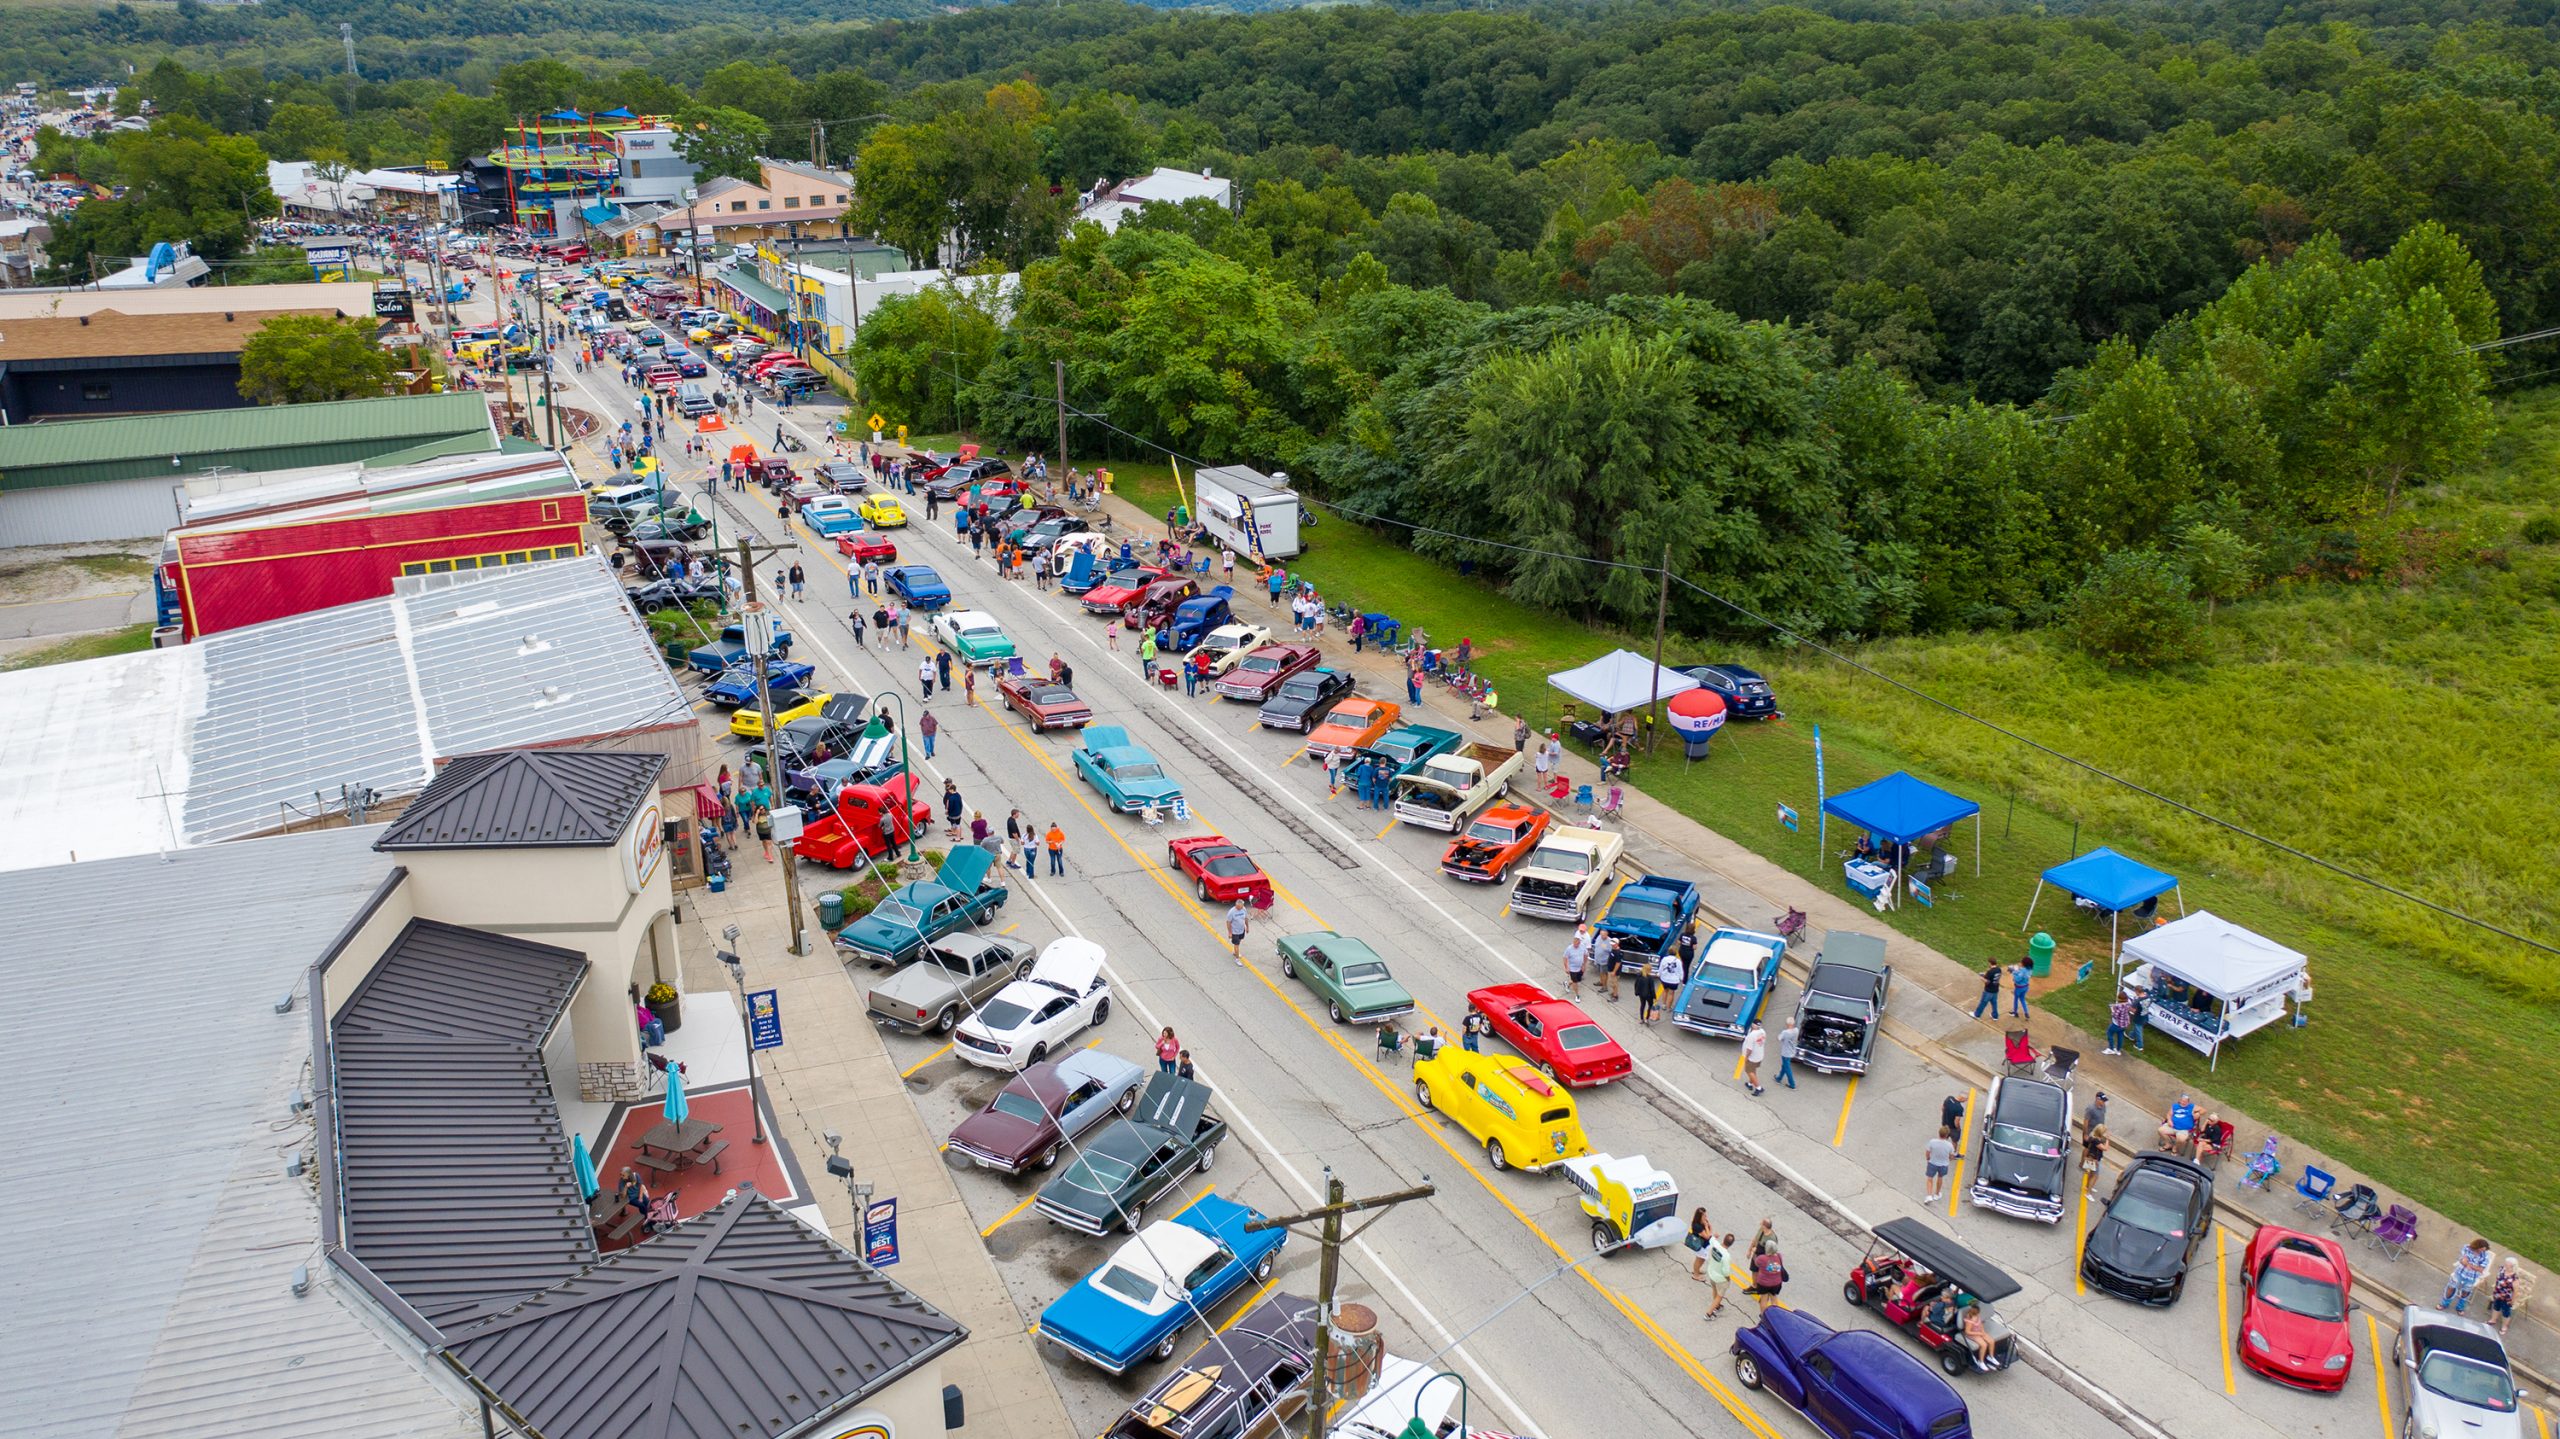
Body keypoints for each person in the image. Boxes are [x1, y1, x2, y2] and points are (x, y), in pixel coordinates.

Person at [2444, 1239, 2493, 1313]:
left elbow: (2481, 1269)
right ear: (2477, 1246)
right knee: (2451, 1287)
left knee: (2466, 1292)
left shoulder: (2485, 1256)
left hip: (2472, 1277)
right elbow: (2462, 1260)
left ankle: (2460, 1307)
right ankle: (2444, 1304)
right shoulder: (2467, 1248)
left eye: (2484, 1250)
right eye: (2481, 1249)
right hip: (2460, 1272)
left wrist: (2468, 1264)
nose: (2482, 1251)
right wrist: (2469, 1264)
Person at [2489, 1258, 2531, 1334]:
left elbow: (2516, 1291)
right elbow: (2498, 1279)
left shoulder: (2514, 1278)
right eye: (2505, 1263)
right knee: (2496, 1307)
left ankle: (2504, 1326)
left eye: (2507, 1265)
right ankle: (2493, 1319)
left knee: (2506, 1313)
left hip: (2506, 1298)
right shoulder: (2502, 1269)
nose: (2505, 1265)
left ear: (2512, 1267)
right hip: (2498, 1294)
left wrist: (2512, 1301)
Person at [1701, 1232, 1736, 1321]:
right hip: (1720, 1278)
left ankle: (1717, 1306)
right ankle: (1708, 1314)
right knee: (1719, 1295)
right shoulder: (1726, 1256)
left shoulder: (1715, 1244)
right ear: (1731, 1244)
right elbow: (1726, 1271)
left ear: (1723, 1239)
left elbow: (1711, 1238)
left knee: (1715, 1291)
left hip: (1711, 1273)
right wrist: (1728, 1279)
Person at [1652, 947, 1683, 1027]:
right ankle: (1669, 1007)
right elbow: (1680, 970)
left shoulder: (1665, 959)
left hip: (1665, 978)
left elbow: (1661, 968)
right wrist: (1681, 978)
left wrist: (1659, 974)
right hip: (1674, 980)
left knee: (1665, 991)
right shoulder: (1678, 961)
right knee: (1671, 993)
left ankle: (1664, 1004)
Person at [1924, 1126, 1957, 1201]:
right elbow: (1951, 1156)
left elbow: (1927, 1152)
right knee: (1940, 1178)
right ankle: (1937, 1194)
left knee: (1930, 1178)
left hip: (1932, 1163)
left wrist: (1928, 1158)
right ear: (1947, 1135)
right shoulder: (1949, 1145)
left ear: (1939, 1133)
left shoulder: (1932, 1142)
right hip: (1943, 1164)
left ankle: (1929, 1195)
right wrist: (1949, 1159)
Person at [1740, 1021, 1767, 1097]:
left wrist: (1746, 1057)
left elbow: (1749, 1049)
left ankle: (1759, 1088)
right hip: (1759, 1055)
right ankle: (1750, 1083)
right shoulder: (1762, 1031)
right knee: (1753, 1070)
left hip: (1752, 1057)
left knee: (1749, 1071)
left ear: (1753, 1025)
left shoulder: (1752, 1035)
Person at [1686, 1208, 1714, 1279]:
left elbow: (1710, 1233)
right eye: (1704, 1216)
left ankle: (1697, 1270)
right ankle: (1696, 1275)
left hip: (1705, 1244)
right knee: (1699, 1260)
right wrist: (1706, 1226)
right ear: (1699, 1216)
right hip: (1700, 1245)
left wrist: (1708, 1227)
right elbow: (1707, 1236)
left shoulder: (1703, 1222)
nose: (1706, 1217)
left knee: (1702, 1259)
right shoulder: (1697, 1226)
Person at [1563, 926, 1590, 999]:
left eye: (1577, 944)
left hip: (1580, 967)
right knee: (1575, 982)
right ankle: (1577, 995)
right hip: (1572, 968)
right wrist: (1566, 967)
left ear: (1579, 943)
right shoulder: (1569, 948)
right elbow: (1565, 958)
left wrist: (1584, 965)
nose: (1575, 945)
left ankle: (1567, 984)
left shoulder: (1582, 947)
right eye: (1574, 943)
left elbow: (1585, 955)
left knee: (1577, 980)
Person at [2081, 1122, 2108, 1192]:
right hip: (2094, 1159)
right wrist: (2108, 1139)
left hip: (2091, 1158)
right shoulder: (2096, 1141)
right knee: (2095, 1176)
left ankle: (2087, 1187)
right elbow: (2105, 1148)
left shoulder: (2093, 1138)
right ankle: (2088, 1193)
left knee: (2091, 1174)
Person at [2105, 991, 2134, 1055]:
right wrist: (2115, 1005)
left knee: (2109, 1033)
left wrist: (2112, 1009)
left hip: (2117, 1024)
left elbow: (2115, 1015)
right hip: (2125, 1024)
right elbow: (2124, 1006)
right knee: (2120, 1036)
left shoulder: (2119, 1006)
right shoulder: (2128, 1003)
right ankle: (2118, 1050)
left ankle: (2111, 1049)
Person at [1774, 1020, 1799, 1089]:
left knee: (1787, 1068)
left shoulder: (1785, 1032)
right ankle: (1778, 1078)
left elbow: (1779, 1038)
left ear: (1788, 1024)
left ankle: (1792, 1084)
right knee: (1784, 1066)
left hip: (1786, 1052)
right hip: (1792, 1051)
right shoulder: (1796, 1030)